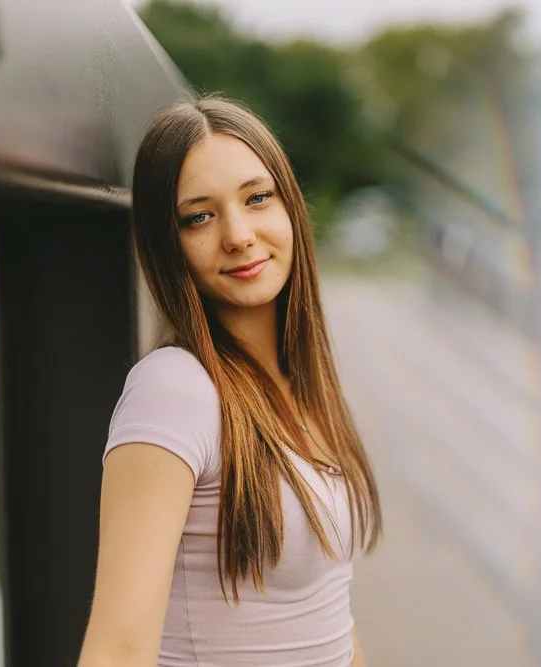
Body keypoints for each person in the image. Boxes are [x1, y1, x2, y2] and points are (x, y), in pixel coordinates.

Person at [77, 96, 382, 667]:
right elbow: (118, 648)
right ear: (169, 246)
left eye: (256, 198)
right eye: (199, 216)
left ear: (289, 206)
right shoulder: (175, 389)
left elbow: (331, 616)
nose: (239, 235)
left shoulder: (302, 381)